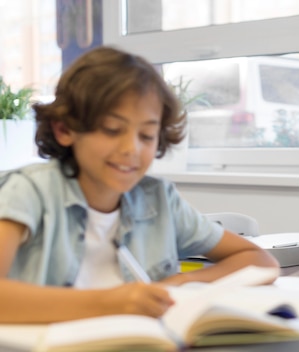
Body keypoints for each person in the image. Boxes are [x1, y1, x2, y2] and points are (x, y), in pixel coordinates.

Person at [0, 46, 279, 324]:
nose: (131, 148)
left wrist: (181, 283)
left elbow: (260, 261)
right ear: (65, 130)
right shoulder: (28, 192)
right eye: (112, 130)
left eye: (146, 135)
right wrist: (110, 302)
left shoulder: (159, 200)